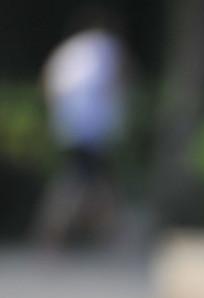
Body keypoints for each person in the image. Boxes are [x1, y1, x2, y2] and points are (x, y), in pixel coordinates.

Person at [34, 7, 129, 249]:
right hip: (92, 126)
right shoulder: (106, 46)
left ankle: (96, 231)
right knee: (84, 180)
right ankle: (61, 232)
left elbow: (47, 83)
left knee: (88, 178)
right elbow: (117, 80)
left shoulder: (69, 49)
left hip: (68, 125)